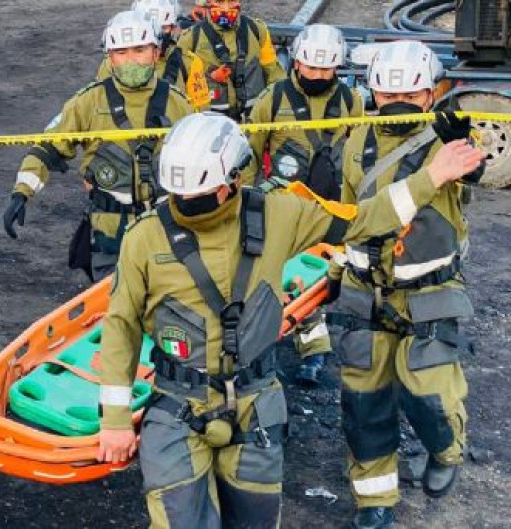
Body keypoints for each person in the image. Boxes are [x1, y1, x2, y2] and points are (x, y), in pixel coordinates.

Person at [95, 111, 484, 527]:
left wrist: (431, 177)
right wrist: (114, 420)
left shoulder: (278, 213)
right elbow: (121, 325)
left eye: (203, 192)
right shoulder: (144, 238)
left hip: (255, 404)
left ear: (235, 179)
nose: (189, 203)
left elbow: (363, 220)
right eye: (181, 194)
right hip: (178, 405)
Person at [327, 40, 483, 529]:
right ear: (372, 93)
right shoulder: (357, 141)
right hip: (365, 292)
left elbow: (475, 171)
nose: (398, 104)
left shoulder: (446, 141)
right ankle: (374, 500)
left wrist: (465, 146)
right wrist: (335, 273)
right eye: (388, 95)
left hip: (428, 292)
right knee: (364, 403)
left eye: (411, 96)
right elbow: (348, 216)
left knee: (428, 393)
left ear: (431, 94)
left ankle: (444, 449)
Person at [3, 10, 193, 281]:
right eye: (121, 52)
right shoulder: (87, 103)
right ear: (110, 58)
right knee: (111, 301)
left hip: (168, 229)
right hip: (110, 233)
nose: (131, 60)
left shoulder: (178, 103)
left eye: (140, 50)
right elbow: (47, 149)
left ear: (155, 52)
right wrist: (21, 194)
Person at [246, 23, 364, 386]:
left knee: (319, 278)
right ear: (296, 62)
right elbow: (251, 152)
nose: (316, 75)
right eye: (310, 67)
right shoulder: (272, 99)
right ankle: (264, 345)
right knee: (271, 273)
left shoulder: (350, 101)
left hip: (328, 207)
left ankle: (314, 349)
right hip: (283, 206)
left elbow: (357, 155)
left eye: (325, 69)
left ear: (337, 67)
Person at [176, 0, 285, 119]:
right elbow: (180, 88)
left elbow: (274, 74)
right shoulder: (190, 38)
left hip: (253, 120)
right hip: (210, 121)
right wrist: (209, 78)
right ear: (208, 2)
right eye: (219, 1)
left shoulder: (258, 30)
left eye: (232, 1)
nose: (226, 8)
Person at [94, 0, 209, 110]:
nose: (156, 33)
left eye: (163, 27)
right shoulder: (110, 65)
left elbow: (199, 112)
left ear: (173, 28)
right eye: (149, 28)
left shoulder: (188, 63)